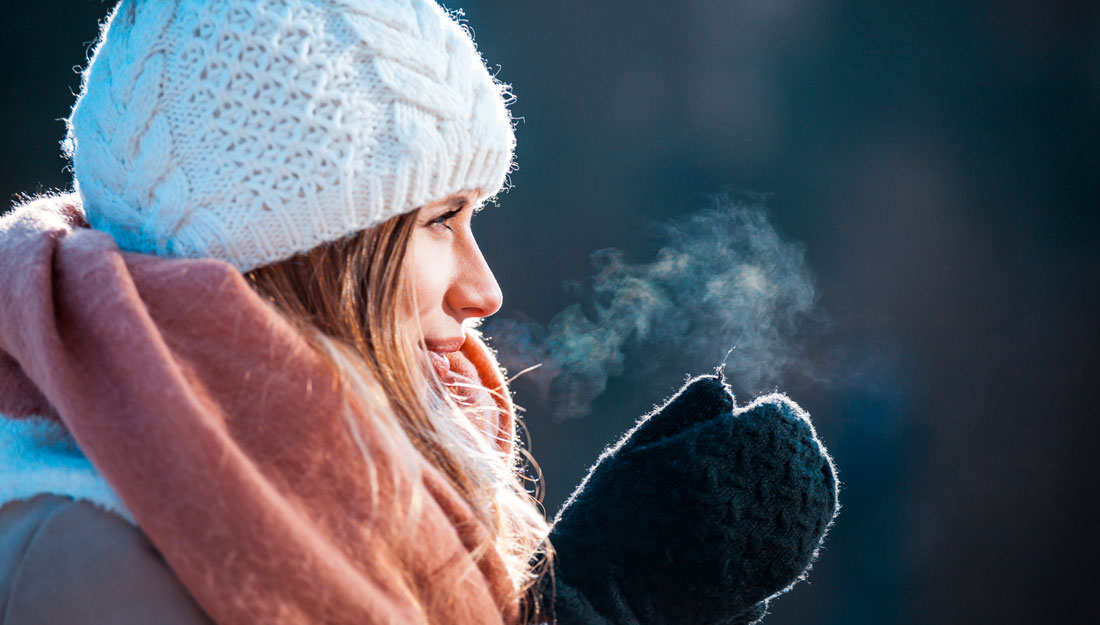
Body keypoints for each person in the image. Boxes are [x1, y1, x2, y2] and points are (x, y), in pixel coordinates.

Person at [0, 1, 839, 624]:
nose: (485, 289)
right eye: (440, 221)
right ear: (301, 252)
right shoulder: (94, 568)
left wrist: (574, 589)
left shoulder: (334, 508)